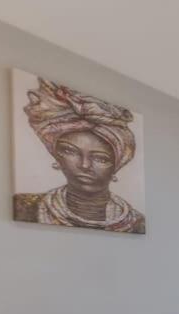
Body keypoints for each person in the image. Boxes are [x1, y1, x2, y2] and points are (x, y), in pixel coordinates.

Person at [13, 77, 145, 233]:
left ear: (117, 166)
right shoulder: (24, 207)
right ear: (56, 156)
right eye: (70, 151)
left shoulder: (137, 223)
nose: (84, 165)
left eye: (100, 158)